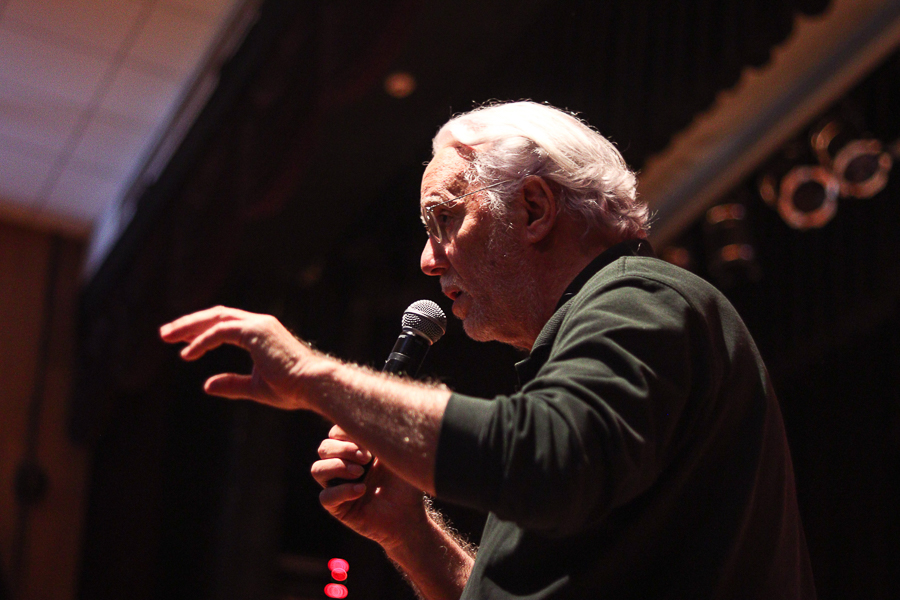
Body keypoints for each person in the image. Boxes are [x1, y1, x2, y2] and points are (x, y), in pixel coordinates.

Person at [160, 101, 816, 599]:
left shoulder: (644, 297)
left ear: (532, 209)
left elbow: (545, 458)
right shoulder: (596, 355)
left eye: (445, 219)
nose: (428, 259)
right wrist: (409, 535)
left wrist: (311, 375)